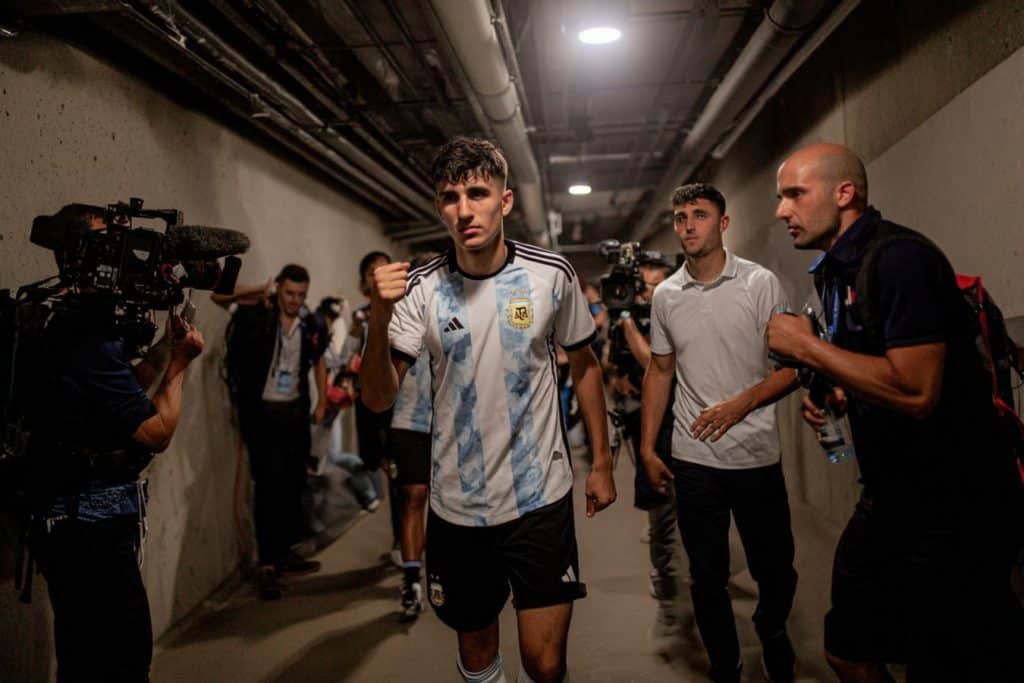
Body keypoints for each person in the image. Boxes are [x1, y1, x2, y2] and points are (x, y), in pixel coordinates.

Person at [360, 136, 616, 683]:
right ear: (439, 207)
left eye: (477, 193)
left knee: (545, 664)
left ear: (505, 200)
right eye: (450, 197)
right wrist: (379, 317)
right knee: (478, 656)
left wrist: (602, 461)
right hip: (458, 506)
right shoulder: (421, 290)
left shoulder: (552, 275)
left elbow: (585, 364)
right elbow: (378, 397)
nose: (464, 210)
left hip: (539, 497)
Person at [767, 142, 1024, 682]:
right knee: (847, 647)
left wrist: (807, 348)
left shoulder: (899, 259)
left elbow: (916, 390)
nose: (781, 210)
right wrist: (838, 390)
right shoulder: (835, 272)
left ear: (844, 193)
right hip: (893, 497)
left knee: (953, 660)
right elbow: (876, 365)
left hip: (958, 502)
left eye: (795, 194)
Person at [23, 204, 204, 681]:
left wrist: (164, 349)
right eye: (109, 244)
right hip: (88, 524)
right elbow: (157, 433)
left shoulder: (65, 317)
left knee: (84, 653)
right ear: (81, 254)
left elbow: (118, 392)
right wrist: (180, 366)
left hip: (72, 514)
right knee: (120, 659)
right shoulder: (82, 334)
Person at [639, 183, 800, 683]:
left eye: (700, 215)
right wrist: (647, 446)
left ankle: (772, 629)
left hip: (755, 454)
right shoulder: (666, 295)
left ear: (723, 223)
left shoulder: (760, 284)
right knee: (706, 577)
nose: (688, 225)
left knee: (775, 570)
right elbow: (659, 371)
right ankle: (724, 667)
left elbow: (793, 367)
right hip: (694, 458)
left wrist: (742, 404)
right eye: (680, 217)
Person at [223, 264, 326, 599]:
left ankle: (284, 553)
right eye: (289, 293)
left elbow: (319, 360)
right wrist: (258, 290)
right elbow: (219, 296)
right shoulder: (259, 314)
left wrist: (322, 400)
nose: (295, 300)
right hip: (262, 414)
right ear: (279, 288)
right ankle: (268, 563)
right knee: (269, 488)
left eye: (300, 295)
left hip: (294, 413)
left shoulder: (309, 323)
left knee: (293, 484)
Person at [609, 257, 685, 656]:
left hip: (683, 428)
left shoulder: (677, 317)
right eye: (644, 287)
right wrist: (617, 377)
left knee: (690, 523)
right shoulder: (631, 320)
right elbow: (612, 364)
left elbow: (654, 362)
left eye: (656, 286)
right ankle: (669, 603)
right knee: (662, 523)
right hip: (651, 431)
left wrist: (626, 323)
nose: (647, 295)